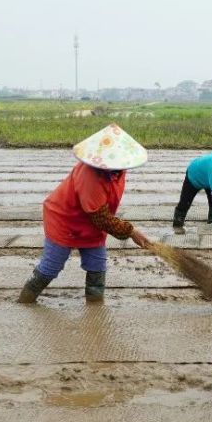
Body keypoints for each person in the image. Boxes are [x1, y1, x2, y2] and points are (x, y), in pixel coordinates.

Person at [18, 124, 152, 304]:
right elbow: (102, 218)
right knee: (51, 267)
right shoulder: (90, 176)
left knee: (97, 265)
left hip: (91, 221)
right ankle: (25, 301)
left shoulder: (118, 171)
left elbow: (101, 213)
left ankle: (95, 307)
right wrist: (131, 232)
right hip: (65, 220)